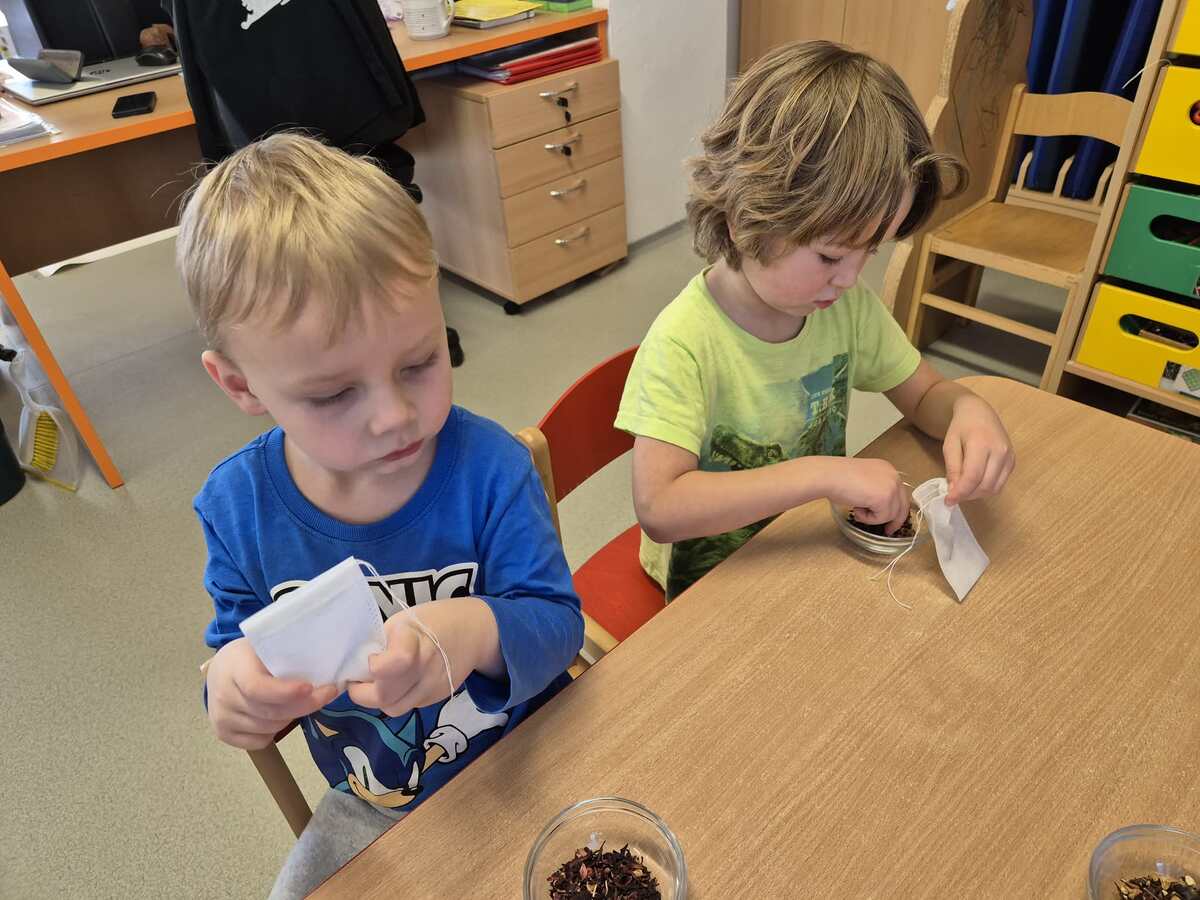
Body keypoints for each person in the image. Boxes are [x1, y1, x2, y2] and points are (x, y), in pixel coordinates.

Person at [179, 134, 582, 899]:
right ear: (240, 386)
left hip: (534, 747)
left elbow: (559, 627)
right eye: (334, 394)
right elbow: (236, 651)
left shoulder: (490, 468)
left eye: (420, 362)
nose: (396, 416)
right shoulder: (238, 510)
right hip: (380, 804)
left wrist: (474, 630)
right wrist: (231, 691)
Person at [616, 41, 1016, 600]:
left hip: (805, 550)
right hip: (712, 585)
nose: (850, 279)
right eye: (830, 256)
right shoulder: (684, 343)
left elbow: (926, 395)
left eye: (869, 252)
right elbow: (661, 508)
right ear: (742, 220)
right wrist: (826, 474)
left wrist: (968, 410)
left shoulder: (842, 307)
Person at [165, 0, 465, 366]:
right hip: (257, 56)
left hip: (321, 54)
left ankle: (390, 331)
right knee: (284, 206)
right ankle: (331, 337)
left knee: (362, 193)